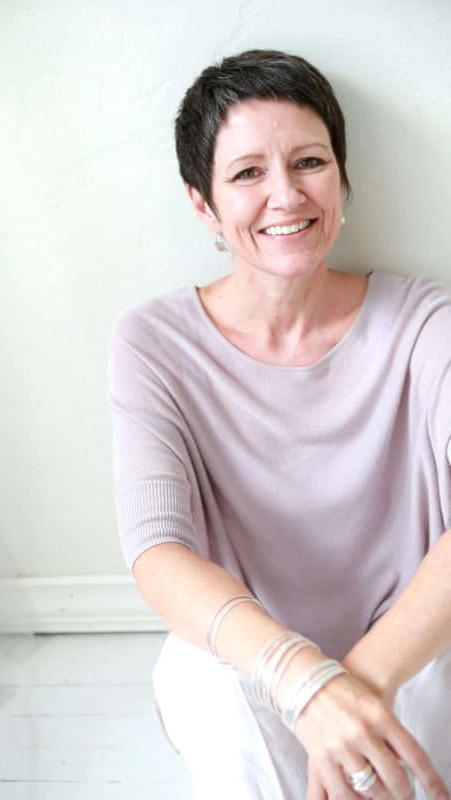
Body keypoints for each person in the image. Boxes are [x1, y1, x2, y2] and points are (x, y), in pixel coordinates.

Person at [109, 49, 451, 800]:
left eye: (309, 162)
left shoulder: (424, 319)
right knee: (198, 675)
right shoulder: (152, 342)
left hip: (416, 659)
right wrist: (301, 681)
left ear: (342, 178)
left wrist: (350, 690)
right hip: (251, 667)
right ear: (203, 204)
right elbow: (156, 548)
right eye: (246, 174)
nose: (286, 195)